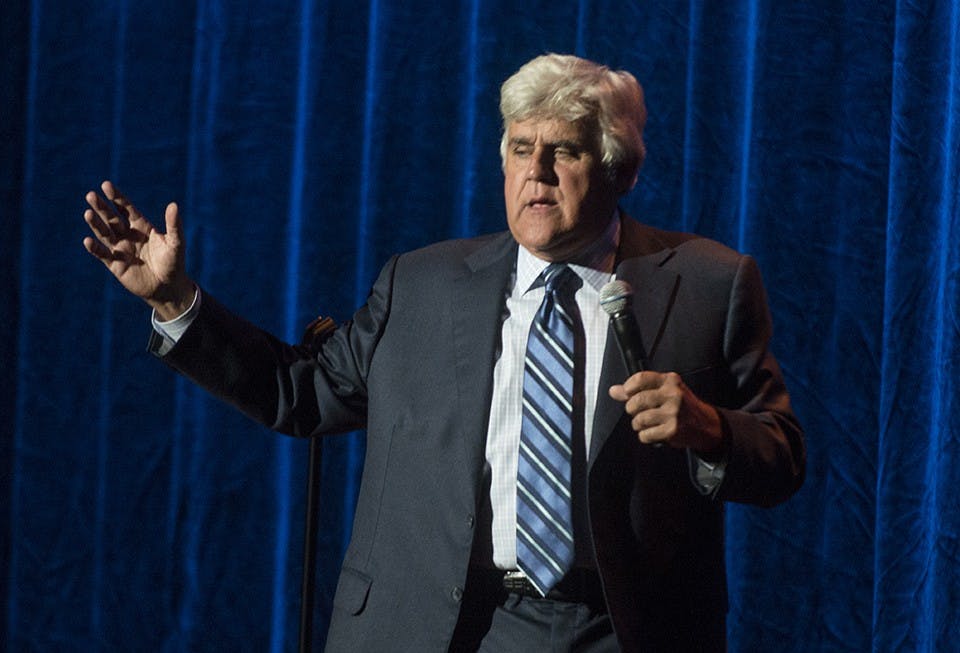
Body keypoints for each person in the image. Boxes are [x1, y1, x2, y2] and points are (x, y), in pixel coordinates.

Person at [83, 54, 804, 652]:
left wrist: (706, 427)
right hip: (445, 627)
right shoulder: (422, 284)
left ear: (620, 169)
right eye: (521, 149)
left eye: (565, 151)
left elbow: (782, 455)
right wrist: (176, 301)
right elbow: (299, 393)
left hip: (617, 629)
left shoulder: (709, 283)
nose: (537, 172)